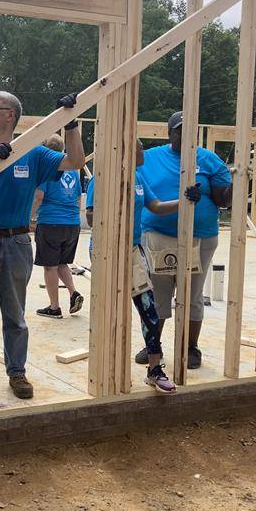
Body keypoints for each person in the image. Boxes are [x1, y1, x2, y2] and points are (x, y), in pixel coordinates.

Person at [0, 91, 85, 408]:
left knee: (15, 316)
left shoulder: (33, 154)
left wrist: (70, 123)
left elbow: (75, 161)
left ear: (9, 115)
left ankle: (16, 373)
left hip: (17, 241)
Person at [85, 139, 200, 393]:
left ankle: (154, 369)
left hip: (134, 251)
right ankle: (107, 369)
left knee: (149, 308)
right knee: (111, 312)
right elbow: (91, 217)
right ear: (125, 151)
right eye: (139, 148)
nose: (143, 152)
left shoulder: (138, 177)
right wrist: (116, 207)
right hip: (107, 252)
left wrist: (185, 200)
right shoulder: (102, 179)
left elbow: (157, 207)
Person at [139, 111, 232, 368]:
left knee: (191, 294)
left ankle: (190, 347)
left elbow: (224, 201)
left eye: (191, 129)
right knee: (158, 294)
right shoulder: (151, 157)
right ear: (170, 133)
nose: (186, 134)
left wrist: (234, 182)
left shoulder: (209, 160)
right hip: (158, 235)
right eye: (180, 130)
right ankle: (153, 346)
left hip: (199, 238)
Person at [31, 134, 84, 318]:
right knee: (62, 262)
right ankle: (73, 293)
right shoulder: (73, 171)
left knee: (49, 267)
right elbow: (78, 198)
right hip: (72, 224)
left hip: (51, 222)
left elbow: (39, 196)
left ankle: (54, 308)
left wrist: (27, 218)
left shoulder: (47, 169)